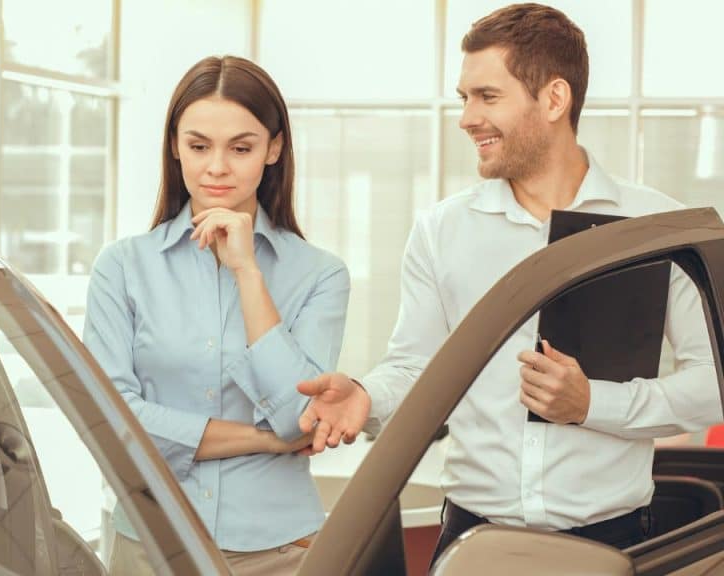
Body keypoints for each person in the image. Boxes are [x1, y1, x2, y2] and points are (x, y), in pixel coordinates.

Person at [295, 2, 723, 564]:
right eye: (464, 98)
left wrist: (593, 403)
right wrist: (367, 395)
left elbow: (713, 383)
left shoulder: (658, 229)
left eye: (487, 97)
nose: (467, 118)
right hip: (473, 545)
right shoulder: (442, 230)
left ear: (554, 98)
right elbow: (417, 368)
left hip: (613, 545)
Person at [83, 55, 350, 575]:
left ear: (274, 148)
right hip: (150, 546)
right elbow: (113, 422)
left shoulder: (322, 275)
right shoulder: (122, 267)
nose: (217, 167)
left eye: (241, 148)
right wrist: (264, 440)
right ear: (175, 146)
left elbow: (298, 417)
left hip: (280, 553)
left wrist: (248, 270)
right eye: (199, 146)